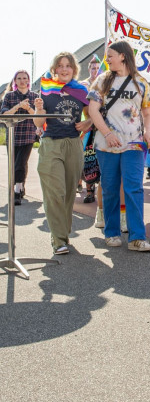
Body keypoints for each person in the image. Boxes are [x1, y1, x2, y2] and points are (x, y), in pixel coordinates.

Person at [87, 41, 150, 252]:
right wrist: (107, 134)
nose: (106, 60)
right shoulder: (101, 81)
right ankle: (112, 232)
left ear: (123, 56)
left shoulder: (141, 82)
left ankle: (137, 237)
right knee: (109, 189)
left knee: (134, 187)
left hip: (134, 142)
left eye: (110, 56)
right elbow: (93, 110)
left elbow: (147, 112)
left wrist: (148, 131)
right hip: (106, 143)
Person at [33, 53, 93, 255]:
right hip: (51, 143)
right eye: (60, 66)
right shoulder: (47, 89)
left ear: (74, 69)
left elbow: (92, 114)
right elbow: (39, 124)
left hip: (73, 144)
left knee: (68, 193)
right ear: (55, 69)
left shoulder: (81, 90)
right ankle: (58, 239)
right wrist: (38, 109)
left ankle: (63, 234)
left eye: (68, 65)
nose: (65, 69)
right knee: (55, 192)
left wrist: (88, 123)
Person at [1, 70, 40, 205]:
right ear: (15, 81)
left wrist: (28, 108)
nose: (22, 80)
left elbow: (38, 116)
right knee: (14, 164)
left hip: (28, 135)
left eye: (25, 78)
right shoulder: (9, 96)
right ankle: (21, 185)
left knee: (20, 163)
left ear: (28, 80)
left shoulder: (35, 96)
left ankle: (17, 191)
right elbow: (4, 114)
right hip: (13, 135)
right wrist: (18, 106)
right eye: (19, 78)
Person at [80, 54, 102, 203]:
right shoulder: (84, 85)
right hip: (87, 126)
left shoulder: (103, 83)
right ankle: (89, 191)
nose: (95, 70)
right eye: (93, 67)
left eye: (97, 68)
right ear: (89, 69)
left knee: (99, 158)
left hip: (101, 125)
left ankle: (100, 187)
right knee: (88, 157)